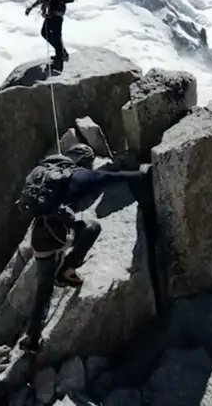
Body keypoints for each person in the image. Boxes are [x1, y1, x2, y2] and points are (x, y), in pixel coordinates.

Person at [19, 143, 150, 352]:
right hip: (59, 235)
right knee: (92, 228)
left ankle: (32, 339)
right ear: (83, 159)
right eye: (88, 162)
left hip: (39, 238)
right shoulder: (79, 176)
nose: (89, 166)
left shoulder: (43, 172)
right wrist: (140, 173)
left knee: (43, 290)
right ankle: (67, 269)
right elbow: (110, 179)